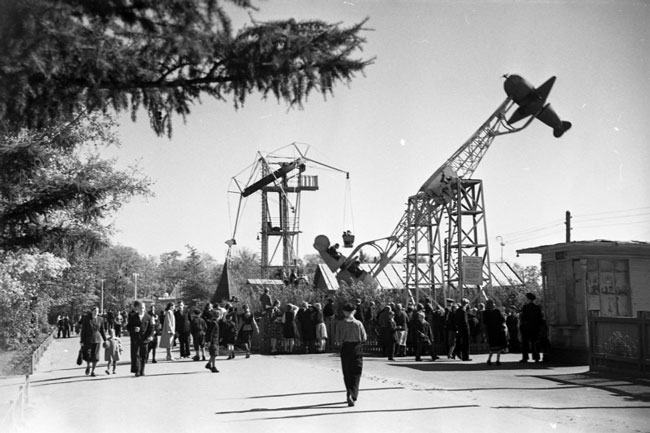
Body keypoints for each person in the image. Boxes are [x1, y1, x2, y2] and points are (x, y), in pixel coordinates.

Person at [336, 302, 367, 407]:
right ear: (354, 311)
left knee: (347, 371)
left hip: (345, 347)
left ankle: (349, 392)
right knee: (356, 372)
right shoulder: (358, 323)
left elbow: (338, 339)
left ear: (344, 312)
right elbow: (364, 338)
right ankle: (353, 395)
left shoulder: (340, 324)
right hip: (356, 347)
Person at [126, 300, 155, 377]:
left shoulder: (148, 317)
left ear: (145, 308)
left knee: (144, 355)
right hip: (135, 339)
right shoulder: (133, 317)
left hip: (145, 339)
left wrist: (151, 336)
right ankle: (137, 371)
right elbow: (128, 327)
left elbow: (151, 328)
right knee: (136, 355)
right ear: (137, 308)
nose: (142, 309)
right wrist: (134, 329)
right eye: (140, 308)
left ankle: (142, 370)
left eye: (143, 308)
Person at [79, 306, 107, 377]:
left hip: (97, 340)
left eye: (97, 311)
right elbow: (83, 330)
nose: (96, 312)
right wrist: (82, 340)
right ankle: (88, 365)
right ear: (91, 311)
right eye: (94, 311)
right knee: (88, 355)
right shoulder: (87, 319)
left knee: (95, 356)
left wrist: (105, 340)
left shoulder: (100, 319)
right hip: (88, 339)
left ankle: (93, 371)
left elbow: (102, 330)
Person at [519, 293, 544, 363]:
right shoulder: (537, 307)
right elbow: (540, 318)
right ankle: (536, 357)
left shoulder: (525, 307)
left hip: (527, 328)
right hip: (535, 328)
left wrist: (522, 327)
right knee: (535, 343)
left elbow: (523, 318)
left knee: (525, 343)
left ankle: (525, 357)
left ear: (528, 299)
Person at [484, 299, 508, 366]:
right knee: (499, 347)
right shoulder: (496, 311)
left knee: (492, 347)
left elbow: (485, 322)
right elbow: (502, 319)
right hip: (498, 330)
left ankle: (489, 359)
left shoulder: (485, 312)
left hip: (490, 331)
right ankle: (497, 360)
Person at [204, 307, 221, 373]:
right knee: (214, 353)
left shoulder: (214, 322)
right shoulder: (214, 323)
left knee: (214, 354)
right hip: (213, 340)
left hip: (215, 340)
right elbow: (210, 333)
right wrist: (209, 341)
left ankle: (209, 364)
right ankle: (213, 366)